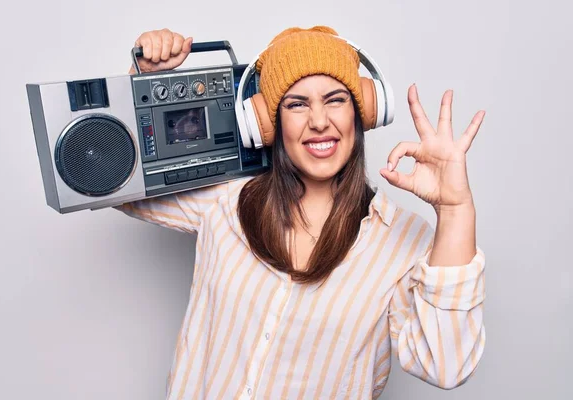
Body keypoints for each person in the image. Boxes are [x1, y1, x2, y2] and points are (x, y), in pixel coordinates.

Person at [115, 26, 486, 399]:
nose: (319, 120)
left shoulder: (404, 240)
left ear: (364, 112)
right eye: (297, 104)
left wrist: (455, 210)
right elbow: (118, 187)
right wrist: (144, 85)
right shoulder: (225, 200)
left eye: (336, 99)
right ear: (267, 123)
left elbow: (445, 364)